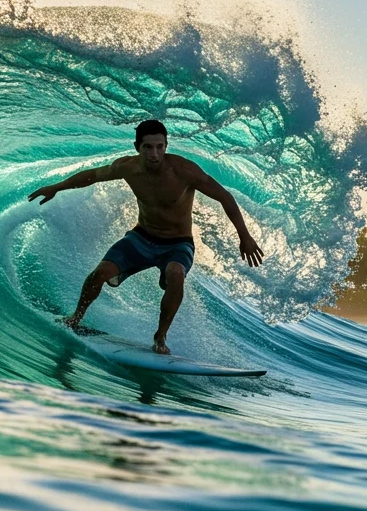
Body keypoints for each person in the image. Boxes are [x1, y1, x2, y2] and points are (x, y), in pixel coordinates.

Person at [28, 119, 263, 354]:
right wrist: (56, 187)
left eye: (160, 146)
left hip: (177, 243)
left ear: (166, 145)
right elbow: (91, 176)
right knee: (100, 273)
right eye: (148, 147)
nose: (155, 153)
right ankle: (75, 317)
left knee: (176, 273)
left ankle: (160, 337)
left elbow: (224, 196)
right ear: (137, 147)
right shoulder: (128, 168)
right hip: (141, 237)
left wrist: (245, 236)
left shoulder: (184, 171)